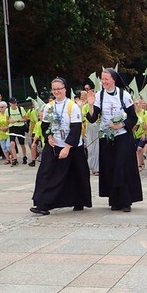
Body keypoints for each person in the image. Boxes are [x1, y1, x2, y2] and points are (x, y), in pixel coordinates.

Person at [30, 77, 92, 215]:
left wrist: (67, 147)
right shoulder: (49, 107)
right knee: (45, 174)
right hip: (54, 145)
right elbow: (45, 125)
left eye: (60, 88)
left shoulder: (72, 106)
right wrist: (49, 137)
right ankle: (42, 204)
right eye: (55, 89)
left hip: (72, 146)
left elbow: (76, 128)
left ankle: (79, 200)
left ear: (65, 89)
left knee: (76, 174)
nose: (57, 91)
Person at [86, 69, 143, 212]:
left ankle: (126, 201)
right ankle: (114, 200)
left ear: (114, 80)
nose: (104, 82)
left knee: (122, 167)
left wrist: (121, 125)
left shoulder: (124, 95)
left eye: (106, 79)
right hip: (106, 137)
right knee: (110, 167)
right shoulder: (100, 95)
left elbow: (133, 117)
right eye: (102, 79)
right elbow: (92, 118)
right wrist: (91, 104)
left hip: (122, 136)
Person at [6, 97, 29, 166]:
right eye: (13, 103)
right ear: (10, 104)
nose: (14, 104)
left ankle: (24, 156)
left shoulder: (20, 109)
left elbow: (25, 119)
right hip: (12, 127)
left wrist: (18, 120)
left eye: (15, 103)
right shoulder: (8, 110)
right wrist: (10, 121)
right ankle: (15, 158)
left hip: (20, 127)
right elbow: (7, 119)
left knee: (22, 143)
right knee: (12, 143)